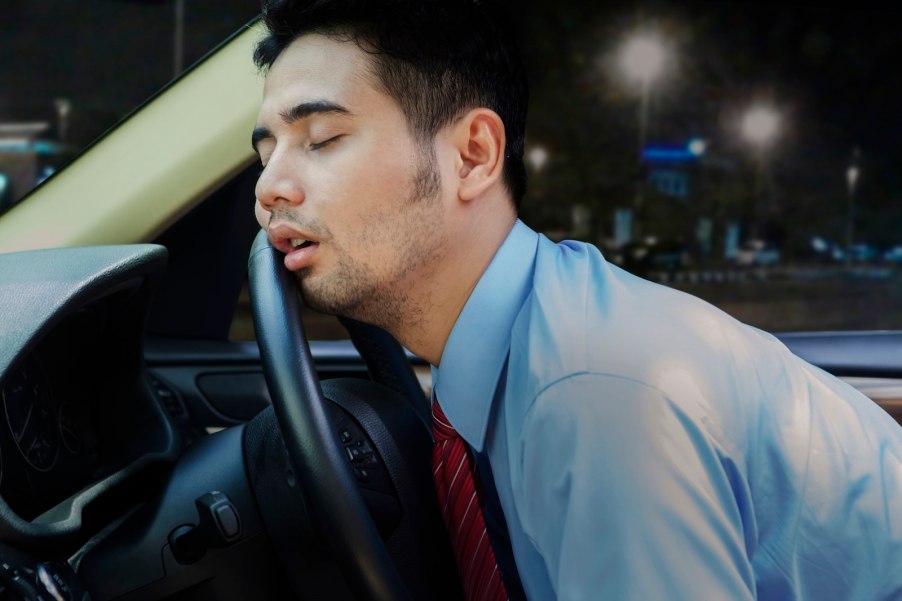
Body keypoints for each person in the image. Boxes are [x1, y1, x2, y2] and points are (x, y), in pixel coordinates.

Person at [250, 0, 902, 598]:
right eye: (265, 151)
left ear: (473, 156)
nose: (270, 186)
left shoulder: (594, 394)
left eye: (322, 139)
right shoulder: (506, 346)